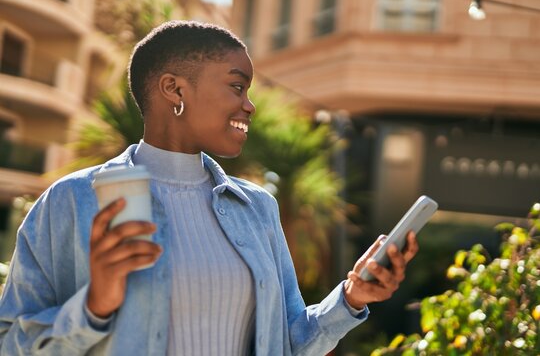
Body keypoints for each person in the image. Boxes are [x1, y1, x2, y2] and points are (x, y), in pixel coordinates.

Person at [0, 20, 418, 355]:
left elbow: (287, 343)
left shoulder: (256, 207)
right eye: (237, 86)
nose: (249, 105)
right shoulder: (71, 201)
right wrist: (93, 307)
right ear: (174, 89)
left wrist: (351, 298)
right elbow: (10, 343)